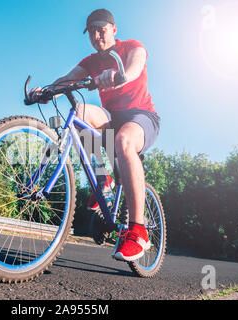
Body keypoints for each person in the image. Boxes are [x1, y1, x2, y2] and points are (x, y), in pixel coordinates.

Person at [29, 9, 160, 262]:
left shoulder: (132, 46)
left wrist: (118, 77)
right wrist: (46, 91)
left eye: (101, 29)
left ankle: (138, 231)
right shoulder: (90, 61)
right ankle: (103, 180)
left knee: (124, 140)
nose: (97, 35)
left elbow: (135, 67)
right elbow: (67, 80)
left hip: (141, 116)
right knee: (78, 112)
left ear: (113, 29)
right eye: (91, 31)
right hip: (111, 116)